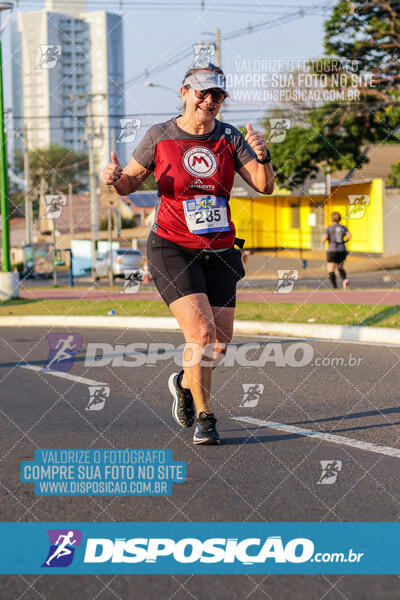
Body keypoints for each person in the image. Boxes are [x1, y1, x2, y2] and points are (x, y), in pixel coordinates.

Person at [102, 63, 274, 445]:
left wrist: (262, 155)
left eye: (218, 96)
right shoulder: (159, 136)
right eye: (203, 93)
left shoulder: (229, 138)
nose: (210, 101)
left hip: (220, 247)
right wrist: (115, 179)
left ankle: (183, 381)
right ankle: (206, 417)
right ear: (184, 93)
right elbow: (130, 183)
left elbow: (263, 186)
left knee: (220, 341)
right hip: (173, 245)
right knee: (200, 333)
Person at [322, 211, 351, 289]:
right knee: (340, 266)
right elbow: (349, 237)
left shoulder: (329, 228)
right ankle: (345, 280)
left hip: (332, 250)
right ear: (340, 219)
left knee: (330, 269)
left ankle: (335, 287)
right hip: (342, 250)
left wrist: (326, 240)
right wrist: (344, 241)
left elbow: (323, 239)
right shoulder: (343, 227)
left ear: (331, 219)